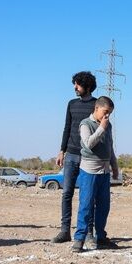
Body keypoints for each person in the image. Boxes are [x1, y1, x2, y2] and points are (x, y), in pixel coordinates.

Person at [52, 71, 98, 245]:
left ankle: (88, 233)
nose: (74, 87)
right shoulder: (71, 104)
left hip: (89, 157)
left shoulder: (97, 105)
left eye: (77, 84)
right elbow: (67, 128)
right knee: (66, 194)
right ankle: (65, 231)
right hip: (71, 155)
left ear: (86, 85)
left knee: (88, 196)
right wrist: (61, 151)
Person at [71, 96, 120, 252]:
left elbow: (110, 146)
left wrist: (114, 165)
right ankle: (79, 239)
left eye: (110, 113)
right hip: (89, 171)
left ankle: (101, 238)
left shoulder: (108, 125)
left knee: (104, 207)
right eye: (105, 112)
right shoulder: (85, 124)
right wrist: (101, 128)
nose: (107, 116)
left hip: (104, 172)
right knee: (86, 205)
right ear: (97, 108)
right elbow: (89, 144)